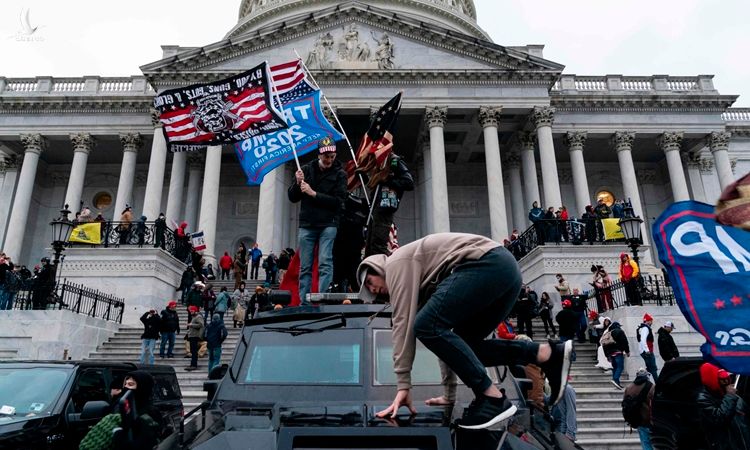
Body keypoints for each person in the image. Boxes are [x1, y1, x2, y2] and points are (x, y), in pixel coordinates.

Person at [357, 233, 573, 430]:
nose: (373, 290)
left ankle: (492, 398)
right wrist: (450, 395)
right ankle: (545, 354)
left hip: (488, 265)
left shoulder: (396, 264)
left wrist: (403, 385)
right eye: (370, 292)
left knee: (424, 325)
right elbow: (447, 345)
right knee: (463, 344)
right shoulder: (421, 281)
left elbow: (403, 326)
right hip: (505, 272)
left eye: (370, 282)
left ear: (378, 268)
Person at [288, 137, 347, 304]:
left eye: (332, 156)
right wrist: (297, 183)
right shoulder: (306, 170)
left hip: (328, 223)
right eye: (326, 156)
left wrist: (314, 194)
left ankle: (324, 300)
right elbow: (292, 197)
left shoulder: (340, 174)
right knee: (305, 266)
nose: (329, 159)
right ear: (319, 155)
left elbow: (339, 201)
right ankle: (304, 302)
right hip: (308, 224)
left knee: (325, 262)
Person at [80, 370, 162, 450]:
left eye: (131, 384)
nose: (126, 387)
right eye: (125, 384)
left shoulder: (150, 414)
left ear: (142, 387)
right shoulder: (119, 404)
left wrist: (119, 436)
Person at [364, 152, 414, 257]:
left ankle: (382, 270)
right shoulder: (378, 163)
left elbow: (409, 183)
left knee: (378, 245)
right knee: (370, 245)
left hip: (385, 208)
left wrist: (388, 180)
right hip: (375, 208)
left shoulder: (394, 161)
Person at [697, 362, 750, 450]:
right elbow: (719, 418)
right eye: (722, 379)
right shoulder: (703, 399)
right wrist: (730, 396)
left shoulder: (734, 397)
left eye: (726, 378)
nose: (726, 382)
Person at [622, 368, 655, 449]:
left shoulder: (629, 388)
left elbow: (624, 403)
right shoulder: (651, 387)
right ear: (647, 376)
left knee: (645, 443)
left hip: (637, 420)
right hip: (650, 420)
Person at [601, 320, 630, 389]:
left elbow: (604, 345)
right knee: (620, 367)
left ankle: (617, 383)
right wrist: (627, 351)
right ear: (618, 326)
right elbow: (625, 342)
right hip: (618, 352)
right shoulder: (620, 332)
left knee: (615, 368)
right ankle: (615, 379)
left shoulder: (608, 333)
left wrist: (607, 355)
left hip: (610, 354)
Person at [637, 314, 659, 380]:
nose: (652, 322)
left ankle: (645, 383)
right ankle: (658, 385)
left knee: (649, 369)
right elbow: (643, 340)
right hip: (647, 352)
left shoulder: (642, 328)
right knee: (653, 369)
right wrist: (647, 350)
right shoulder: (645, 328)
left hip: (645, 351)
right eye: (651, 321)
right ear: (647, 321)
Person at [185, 306, 204, 371]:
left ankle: (194, 365)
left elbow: (201, 325)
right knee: (193, 351)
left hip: (195, 336)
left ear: (195, 311)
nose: (191, 312)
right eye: (190, 311)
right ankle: (192, 364)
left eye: (192, 311)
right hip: (192, 336)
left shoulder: (198, 316)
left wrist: (191, 325)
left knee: (194, 351)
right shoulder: (194, 317)